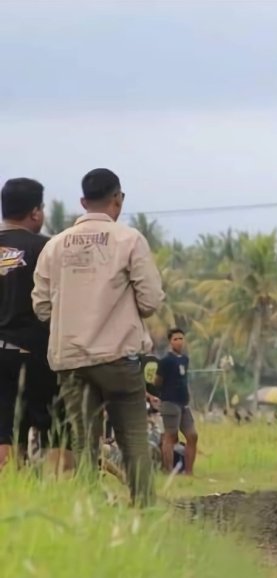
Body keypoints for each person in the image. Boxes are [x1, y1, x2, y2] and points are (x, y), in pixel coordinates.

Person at [32, 168, 164, 507]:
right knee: (133, 439)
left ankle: (87, 509)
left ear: (82, 202)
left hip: (69, 358)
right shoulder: (129, 240)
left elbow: (42, 308)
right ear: (117, 198)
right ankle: (144, 508)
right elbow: (150, 301)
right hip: (118, 357)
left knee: (83, 442)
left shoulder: (55, 246)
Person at [0, 178, 66, 471]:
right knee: (54, 431)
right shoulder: (48, 249)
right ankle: (58, 496)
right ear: (36, 212)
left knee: (4, 433)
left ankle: (9, 497)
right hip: (37, 355)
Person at [154, 328, 197, 475]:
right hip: (170, 402)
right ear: (170, 342)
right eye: (175, 339)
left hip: (183, 403)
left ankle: (189, 472)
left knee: (192, 435)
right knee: (170, 436)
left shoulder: (185, 360)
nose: (179, 342)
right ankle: (169, 470)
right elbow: (157, 381)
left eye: (181, 338)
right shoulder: (165, 361)